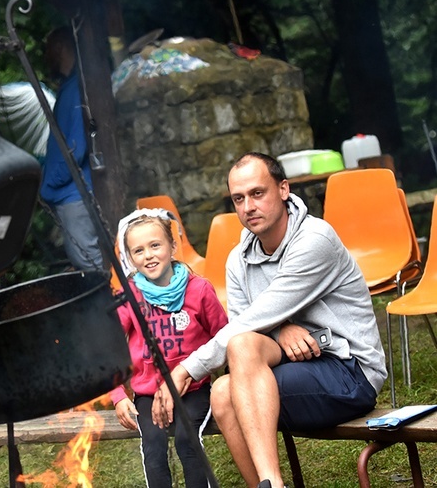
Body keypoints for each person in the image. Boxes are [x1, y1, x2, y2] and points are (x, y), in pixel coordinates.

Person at [154, 152, 387, 488]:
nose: (248, 206)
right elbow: (244, 327)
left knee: (240, 354)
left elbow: (255, 319)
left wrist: (185, 368)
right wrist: (280, 328)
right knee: (222, 391)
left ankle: (272, 484)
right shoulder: (238, 260)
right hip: (294, 369)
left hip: (350, 372)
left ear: (283, 189)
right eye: (238, 198)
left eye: (257, 193)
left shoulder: (313, 240)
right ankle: (265, 484)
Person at [110, 208, 228, 488]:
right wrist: (118, 395)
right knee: (154, 449)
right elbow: (108, 347)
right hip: (148, 395)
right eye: (138, 250)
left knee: (187, 442)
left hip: (192, 389)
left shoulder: (199, 290)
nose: (148, 255)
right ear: (130, 258)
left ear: (173, 246)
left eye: (155, 245)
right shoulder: (129, 296)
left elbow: (224, 336)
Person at [41, 25, 103, 271]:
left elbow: (76, 148)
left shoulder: (78, 89)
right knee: (84, 261)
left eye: (49, 50)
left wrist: (51, 182)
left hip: (74, 193)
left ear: (60, 48)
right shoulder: (69, 88)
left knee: (91, 264)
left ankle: (116, 309)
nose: (46, 56)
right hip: (69, 193)